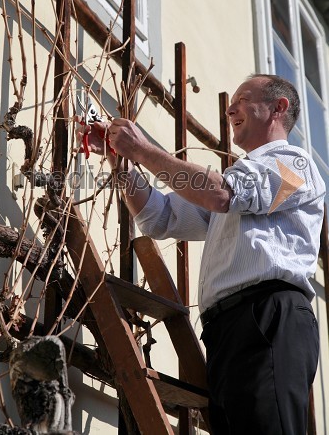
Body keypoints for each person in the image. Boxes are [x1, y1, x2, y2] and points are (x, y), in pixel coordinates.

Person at [78, 74, 326, 435]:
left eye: (243, 98)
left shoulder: (296, 166)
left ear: (278, 107)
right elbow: (159, 217)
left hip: (270, 317)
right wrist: (122, 161)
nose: (230, 108)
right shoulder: (242, 182)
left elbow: (220, 195)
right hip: (230, 329)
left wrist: (143, 150)